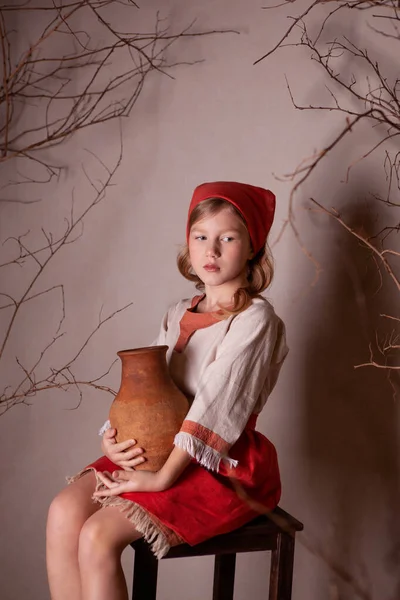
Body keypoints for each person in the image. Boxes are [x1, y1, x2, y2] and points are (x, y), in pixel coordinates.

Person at [46, 181, 289, 600]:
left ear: (252, 248)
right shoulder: (178, 312)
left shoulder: (255, 320)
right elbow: (144, 389)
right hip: (160, 444)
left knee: (96, 537)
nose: (211, 251)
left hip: (218, 464)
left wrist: (159, 479)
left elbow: (215, 407)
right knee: (64, 511)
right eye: (201, 237)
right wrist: (117, 438)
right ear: (188, 245)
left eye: (227, 238)